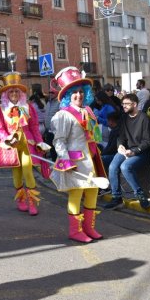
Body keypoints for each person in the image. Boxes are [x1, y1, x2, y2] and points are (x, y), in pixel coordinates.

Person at [50, 67, 106, 243]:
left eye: (81, 91)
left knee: (92, 193)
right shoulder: (63, 115)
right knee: (76, 195)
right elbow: (59, 141)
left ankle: (89, 228)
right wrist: (65, 161)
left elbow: (94, 135)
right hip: (75, 162)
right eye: (74, 92)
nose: (79, 95)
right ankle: (75, 230)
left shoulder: (89, 111)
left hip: (92, 160)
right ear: (68, 95)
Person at [0, 72, 49, 216]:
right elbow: (0, 128)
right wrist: (7, 138)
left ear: (20, 92)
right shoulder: (1, 109)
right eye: (11, 91)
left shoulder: (28, 107)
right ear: (6, 93)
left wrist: (40, 141)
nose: (14, 93)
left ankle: (32, 202)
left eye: (16, 91)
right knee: (17, 174)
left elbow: (34, 127)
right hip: (12, 146)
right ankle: (21, 200)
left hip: (27, 144)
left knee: (28, 172)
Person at [103, 94, 150, 210]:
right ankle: (117, 198)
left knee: (125, 166)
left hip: (141, 152)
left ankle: (140, 195)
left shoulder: (144, 118)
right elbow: (121, 136)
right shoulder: (124, 118)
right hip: (126, 150)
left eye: (126, 104)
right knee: (112, 166)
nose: (123, 106)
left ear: (134, 104)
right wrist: (120, 146)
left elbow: (146, 141)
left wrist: (134, 151)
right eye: (123, 104)